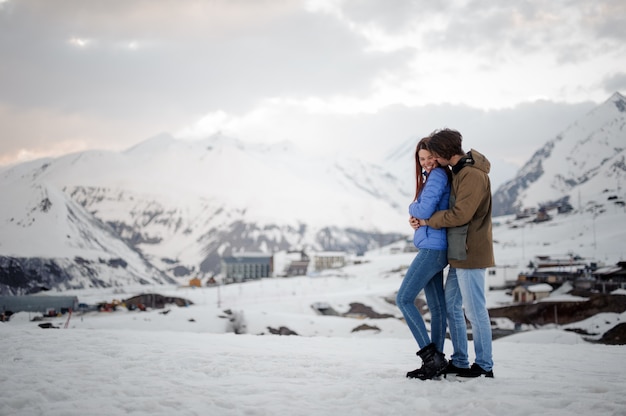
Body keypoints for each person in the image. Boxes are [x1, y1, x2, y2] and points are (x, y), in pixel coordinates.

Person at [417, 128, 495, 378]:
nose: (433, 161)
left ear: (443, 153)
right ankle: (460, 360)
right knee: (452, 306)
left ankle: (484, 365)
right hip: (459, 252)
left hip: (470, 252)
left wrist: (428, 220)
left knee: (475, 311)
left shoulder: (471, 175)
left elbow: (462, 214)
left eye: (435, 156)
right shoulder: (460, 172)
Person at [396, 137, 451, 380]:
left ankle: (430, 357)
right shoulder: (434, 177)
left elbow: (424, 210)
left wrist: (412, 209)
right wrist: (417, 219)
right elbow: (429, 211)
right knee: (437, 307)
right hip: (435, 247)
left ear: (438, 156)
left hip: (432, 249)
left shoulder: (437, 175)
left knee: (404, 298)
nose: (427, 162)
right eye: (422, 159)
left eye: (430, 157)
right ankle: (436, 361)